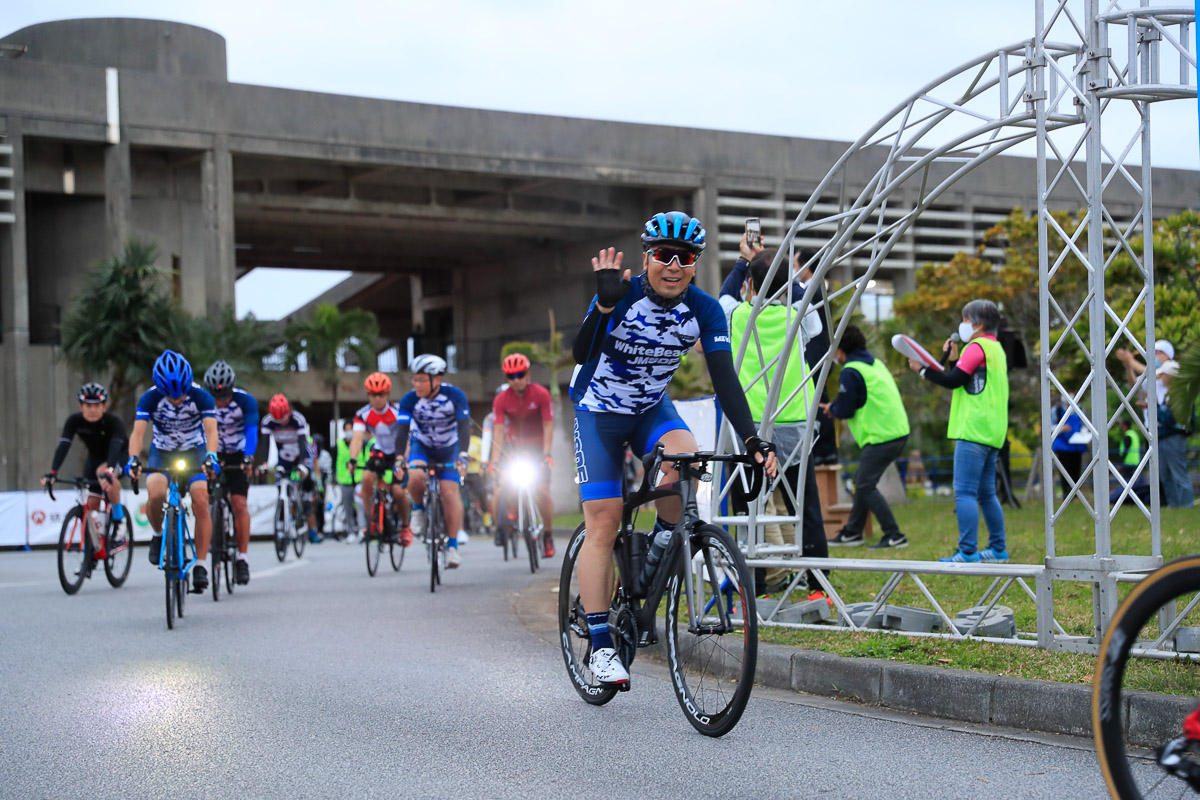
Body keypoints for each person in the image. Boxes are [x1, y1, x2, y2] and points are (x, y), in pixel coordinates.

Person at [571, 210, 778, 686]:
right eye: (663, 255)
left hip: (650, 408)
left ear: (694, 264)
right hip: (599, 411)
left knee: (687, 456)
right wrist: (602, 310)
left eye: (684, 258)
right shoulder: (619, 295)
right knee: (603, 517)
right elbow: (582, 355)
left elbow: (725, 380)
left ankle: (664, 540)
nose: (673, 265)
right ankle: (601, 646)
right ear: (647, 257)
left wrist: (750, 439)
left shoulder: (704, 309)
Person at [718, 246, 829, 599]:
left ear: (750, 283)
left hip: (750, 429)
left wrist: (742, 264)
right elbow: (809, 308)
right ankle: (818, 588)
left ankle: (757, 588)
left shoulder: (736, 316)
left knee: (750, 507)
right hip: (795, 423)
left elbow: (724, 295)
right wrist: (788, 278)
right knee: (806, 506)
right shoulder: (799, 317)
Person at [908, 299, 1009, 563]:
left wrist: (922, 370)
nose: (962, 325)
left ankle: (967, 551)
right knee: (986, 493)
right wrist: (954, 359)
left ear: (979, 324)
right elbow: (971, 381)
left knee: (964, 492)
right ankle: (998, 549)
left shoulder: (975, 347)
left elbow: (954, 382)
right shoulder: (995, 349)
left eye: (966, 320)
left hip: (972, 430)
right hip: (993, 430)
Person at [125, 350, 220, 593]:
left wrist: (212, 456)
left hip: (194, 451)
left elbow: (211, 432)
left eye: (181, 395)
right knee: (155, 494)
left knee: (201, 499)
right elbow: (137, 433)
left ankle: (200, 564)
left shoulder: (202, 396)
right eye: (171, 396)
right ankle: (158, 535)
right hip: (163, 451)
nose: (177, 400)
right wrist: (133, 459)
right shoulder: (149, 398)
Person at [820, 324, 910, 549]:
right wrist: (838, 405)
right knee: (864, 481)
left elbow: (847, 408)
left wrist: (833, 409)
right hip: (897, 431)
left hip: (882, 435)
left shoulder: (850, 370)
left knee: (864, 483)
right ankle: (852, 532)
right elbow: (857, 398)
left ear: (841, 349)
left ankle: (894, 534)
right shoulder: (874, 363)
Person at [394, 355, 471, 567]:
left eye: (421, 379)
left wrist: (463, 455)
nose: (416, 384)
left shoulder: (454, 395)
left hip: (449, 448)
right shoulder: (409, 400)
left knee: (448, 492)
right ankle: (418, 509)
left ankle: (453, 546)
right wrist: (400, 458)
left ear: (436, 380)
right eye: (414, 379)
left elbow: (464, 427)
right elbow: (401, 431)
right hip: (423, 446)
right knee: (416, 476)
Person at [42, 382, 128, 558]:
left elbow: (115, 447)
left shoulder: (114, 422)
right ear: (81, 406)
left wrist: (110, 470)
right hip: (94, 459)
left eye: (97, 405)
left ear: (105, 406)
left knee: (108, 477)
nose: (92, 410)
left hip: (118, 455)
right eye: (88, 406)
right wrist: (53, 472)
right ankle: (95, 545)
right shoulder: (74, 421)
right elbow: (64, 445)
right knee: (92, 504)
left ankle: (120, 521)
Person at [489, 353, 556, 558]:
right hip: (514, 447)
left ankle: (547, 534)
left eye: (520, 375)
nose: (516, 380)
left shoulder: (541, 394)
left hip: (537, 448)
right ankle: (510, 512)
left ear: (528, 374)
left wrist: (546, 454)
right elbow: (498, 431)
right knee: (504, 482)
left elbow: (548, 425)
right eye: (511, 376)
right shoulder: (501, 399)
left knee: (542, 490)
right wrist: (493, 462)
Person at [1116, 340, 1194, 508]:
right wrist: (1128, 366)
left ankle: (1186, 504)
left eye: (1155, 352)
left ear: (1166, 354)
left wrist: (1132, 361)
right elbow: (1134, 385)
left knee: (1177, 472)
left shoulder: (1172, 367)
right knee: (1163, 474)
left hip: (1173, 431)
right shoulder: (1152, 374)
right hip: (1155, 431)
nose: (1152, 355)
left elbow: (1155, 374)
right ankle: (1174, 506)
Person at [203, 360, 257, 584]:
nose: (221, 402)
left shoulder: (245, 401)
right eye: (216, 398)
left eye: (224, 396)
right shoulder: (202, 402)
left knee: (239, 504)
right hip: (212, 452)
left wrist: (248, 456)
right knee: (203, 498)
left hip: (237, 453)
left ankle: (242, 558)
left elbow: (252, 431)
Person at [348, 372, 413, 545]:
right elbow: (357, 438)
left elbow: (406, 439)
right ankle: (373, 521)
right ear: (368, 395)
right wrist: (352, 460)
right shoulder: (363, 414)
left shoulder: (398, 411)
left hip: (399, 451)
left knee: (399, 492)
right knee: (366, 478)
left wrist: (403, 461)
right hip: (380, 452)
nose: (377, 398)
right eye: (373, 395)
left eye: (381, 394)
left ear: (388, 393)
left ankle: (406, 526)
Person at [261, 394, 320, 543]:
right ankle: (281, 527)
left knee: (306, 485)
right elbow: (265, 444)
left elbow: (302, 443)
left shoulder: (298, 419)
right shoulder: (267, 421)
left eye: (284, 420)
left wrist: (302, 465)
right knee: (281, 489)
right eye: (277, 421)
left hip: (301, 456)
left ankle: (305, 512)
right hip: (284, 458)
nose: (281, 423)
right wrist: (265, 463)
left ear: (289, 412)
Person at [1050, 396, 1087, 500]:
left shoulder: (1080, 408)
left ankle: (1075, 495)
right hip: (1063, 446)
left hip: (1077, 445)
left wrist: (1084, 432)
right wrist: (1061, 428)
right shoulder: (1056, 410)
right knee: (1064, 471)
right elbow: (1049, 427)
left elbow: (1084, 424)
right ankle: (1066, 494)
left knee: (1076, 471)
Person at [334, 421, 367, 541]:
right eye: (346, 429)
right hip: (345, 480)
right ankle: (351, 532)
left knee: (360, 506)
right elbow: (335, 462)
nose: (349, 432)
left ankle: (362, 529)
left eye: (351, 429)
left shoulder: (362, 443)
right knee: (348, 507)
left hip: (358, 479)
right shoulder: (339, 444)